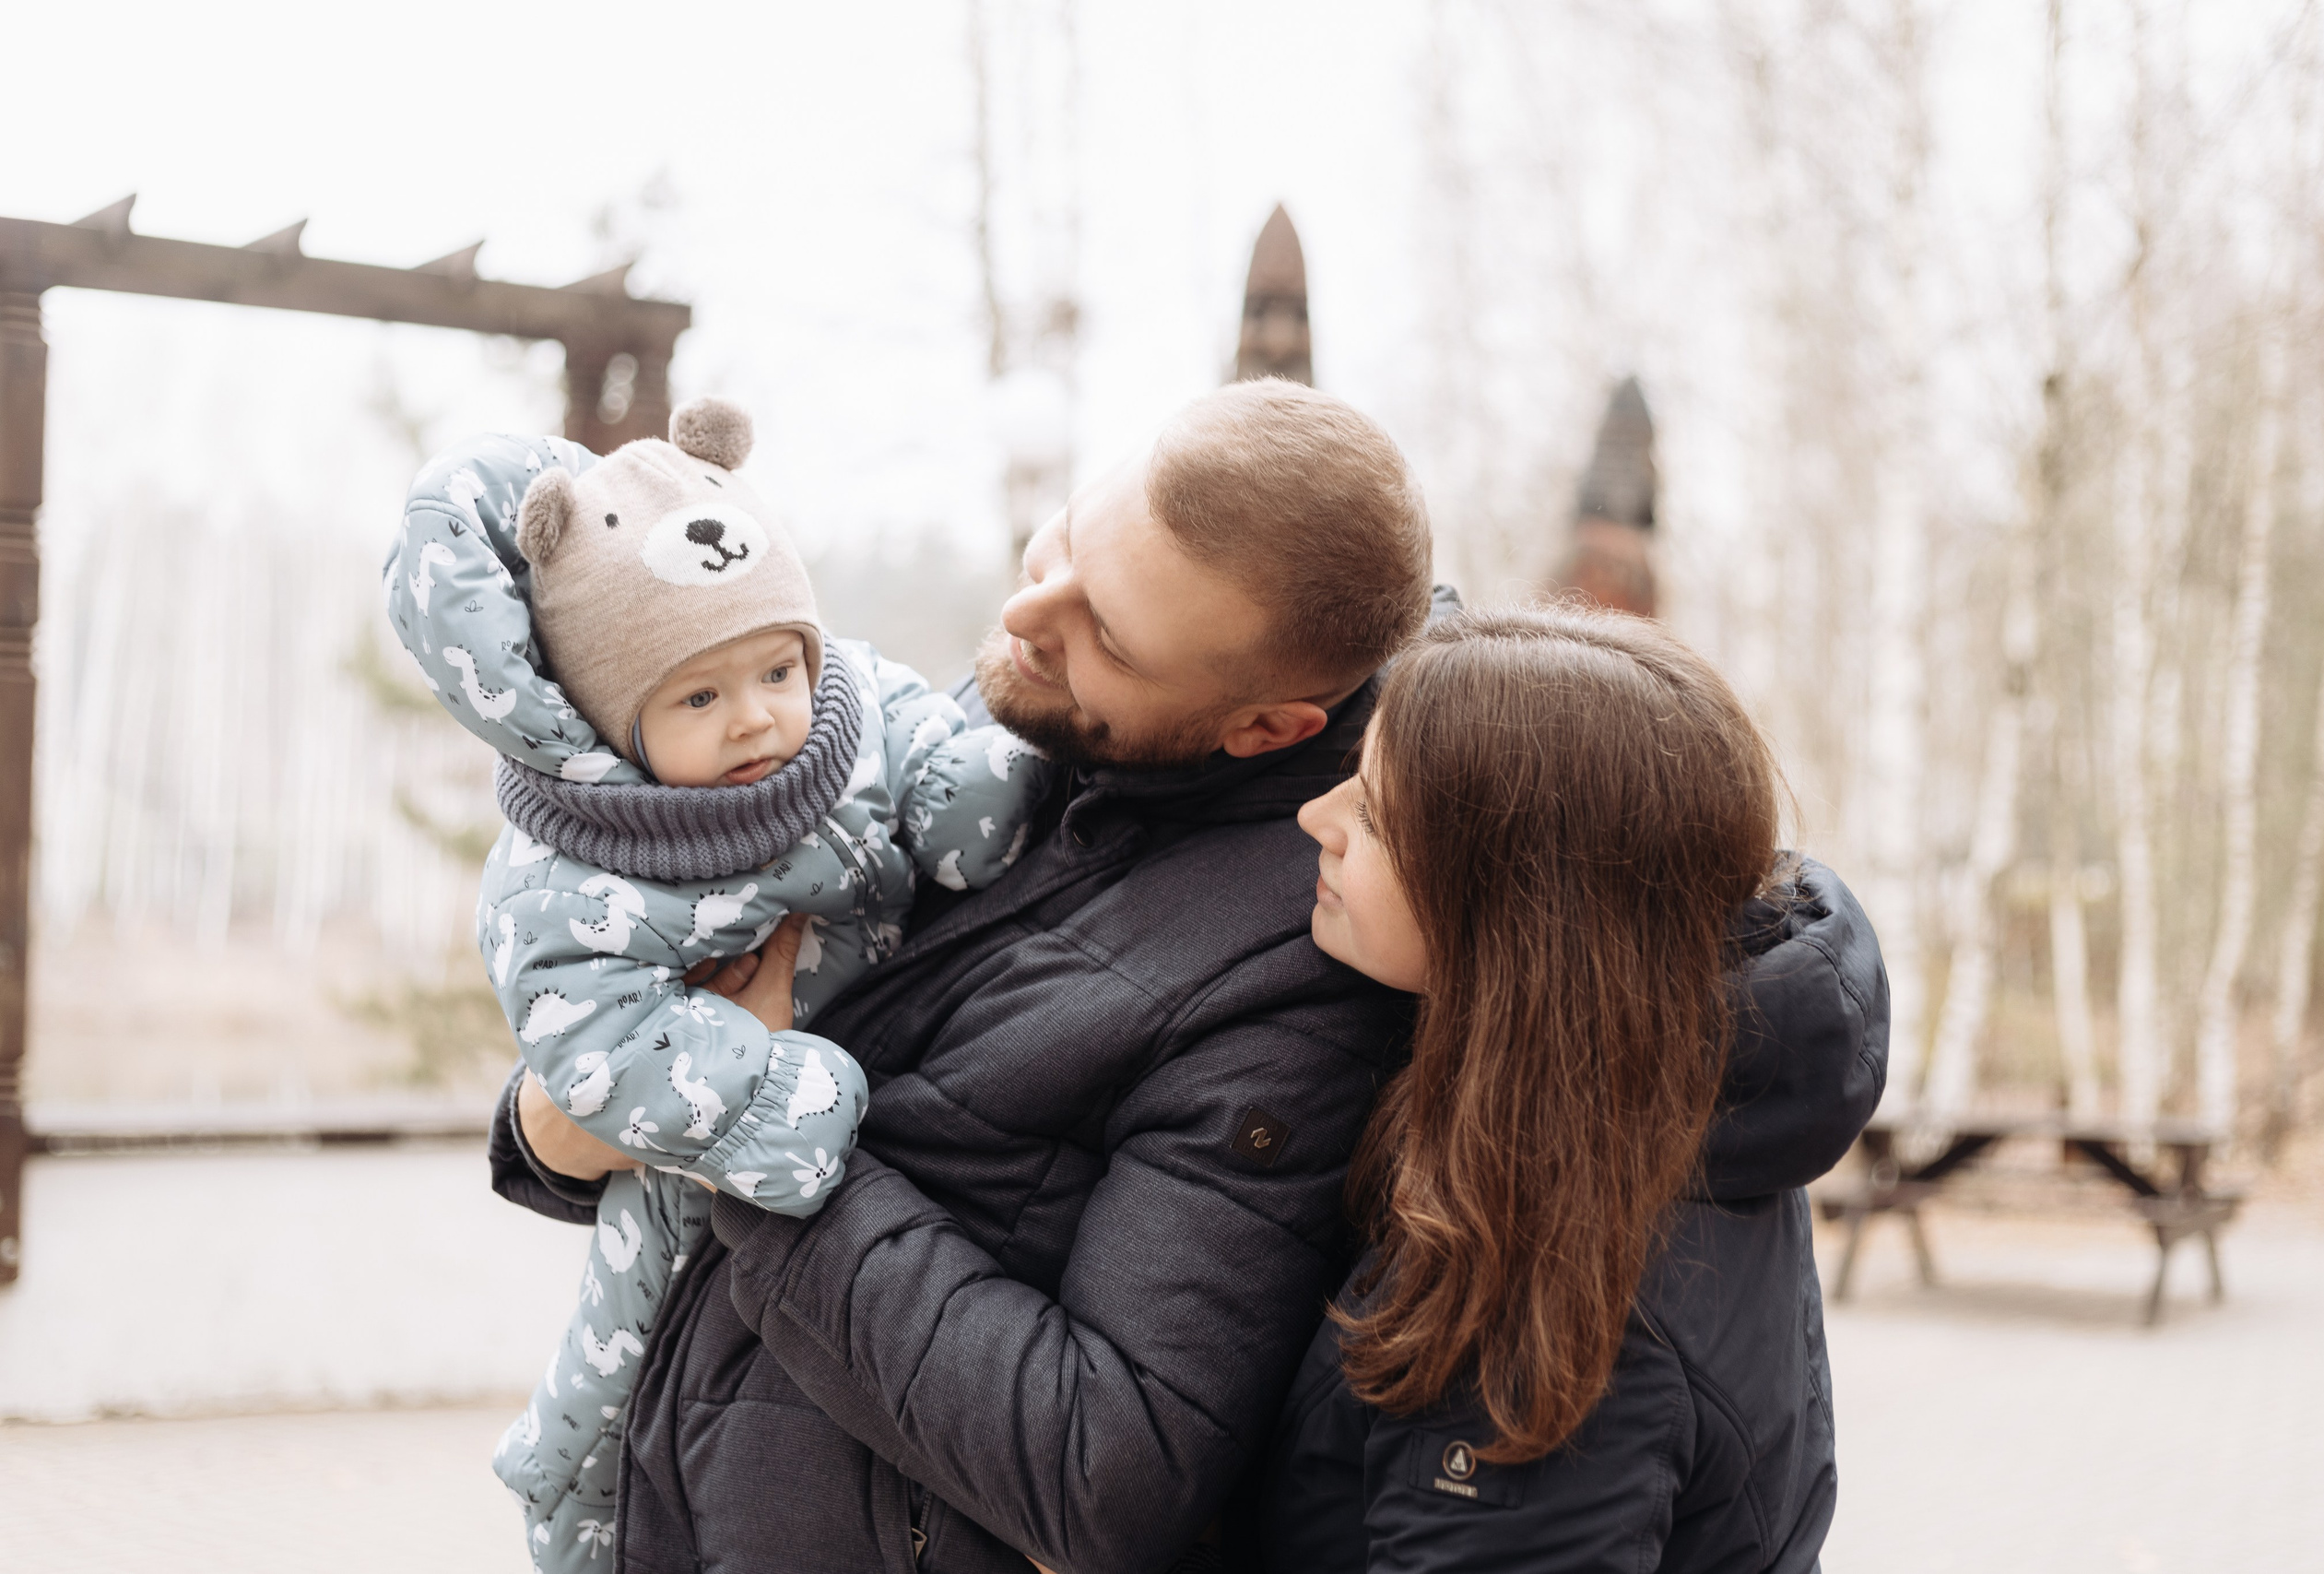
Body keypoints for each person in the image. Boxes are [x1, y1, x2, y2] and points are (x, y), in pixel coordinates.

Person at [495, 379, 1880, 1574]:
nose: (1031, 614)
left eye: (1106, 629)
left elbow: (1116, 1461)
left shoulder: (1317, 960)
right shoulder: (1018, 730)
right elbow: (722, 981)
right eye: (1066, 544)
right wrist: (568, 1120)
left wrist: (752, 1133)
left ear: (1262, 722)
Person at [386, 397, 1046, 1568]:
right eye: (698, 698)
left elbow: (934, 752)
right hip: (701, 1157)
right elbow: (594, 1037)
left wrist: (977, 797)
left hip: (870, 1234)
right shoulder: (574, 859)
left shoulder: (851, 710)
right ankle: (568, 1489)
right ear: (609, 717)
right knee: (623, 1350)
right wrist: (771, 1088)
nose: (757, 720)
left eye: (776, 669)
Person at [1261, 607, 1886, 1573]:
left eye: (1376, 814)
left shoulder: (1556, 1284)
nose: (1318, 819)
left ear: (1524, 909)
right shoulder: (1685, 1100)